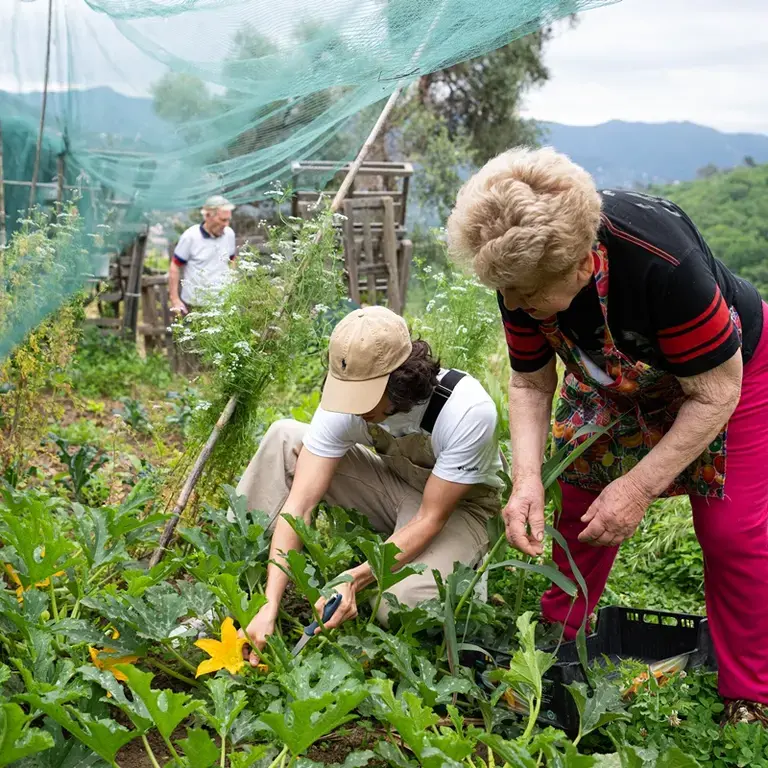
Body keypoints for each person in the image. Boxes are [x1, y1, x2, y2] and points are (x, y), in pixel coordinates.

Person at [447, 146, 768, 726]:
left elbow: (716, 393)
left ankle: (750, 694)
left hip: (729, 374)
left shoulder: (663, 268)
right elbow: (530, 382)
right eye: (507, 292)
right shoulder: (519, 266)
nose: (513, 305)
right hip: (614, 375)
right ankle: (556, 639)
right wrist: (526, 479)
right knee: (579, 502)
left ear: (579, 267)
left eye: (525, 295)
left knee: (730, 532)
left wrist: (638, 487)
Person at [236, 306, 502, 665]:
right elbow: (298, 506)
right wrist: (269, 603)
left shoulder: (466, 411)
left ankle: (467, 572)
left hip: (459, 510)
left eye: (364, 394)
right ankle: (247, 591)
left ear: (402, 379)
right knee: (285, 437)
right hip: (396, 485)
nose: (352, 406)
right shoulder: (345, 405)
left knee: (395, 606)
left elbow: (430, 519)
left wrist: (355, 577)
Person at [169, 195, 237, 316]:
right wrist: (174, 299)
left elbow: (232, 260)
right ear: (207, 216)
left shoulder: (229, 234)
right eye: (222, 220)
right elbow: (175, 265)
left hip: (223, 303)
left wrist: (232, 287)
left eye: (228, 220)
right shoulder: (191, 236)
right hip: (195, 306)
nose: (226, 224)